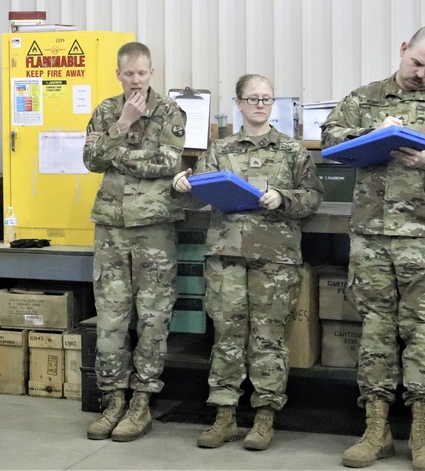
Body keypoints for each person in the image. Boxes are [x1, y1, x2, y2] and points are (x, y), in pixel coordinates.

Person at [321, 26, 425, 471]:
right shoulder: (365, 99)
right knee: (375, 329)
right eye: (416, 63)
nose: (421, 74)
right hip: (373, 237)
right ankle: (376, 430)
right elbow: (331, 141)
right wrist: (372, 132)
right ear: (402, 50)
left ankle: (422, 431)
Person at [173, 74, 323, 451]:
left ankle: (264, 418)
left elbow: (313, 197)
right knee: (226, 338)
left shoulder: (293, 151)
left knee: (269, 339)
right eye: (253, 98)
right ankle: (224, 416)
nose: (260, 104)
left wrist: (284, 198)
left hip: (275, 258)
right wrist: (182, 186)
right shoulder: (219, 151)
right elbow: (194, 199)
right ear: (238, 104)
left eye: (266, 99)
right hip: (226, 257)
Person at [81, 41, 187, 443]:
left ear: (152, 73)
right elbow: (90, 161)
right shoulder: (108, 110)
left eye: (143, 73)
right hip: (110, 226)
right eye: (129, 74)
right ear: (119, 74)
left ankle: (142, 401)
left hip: (154, 227)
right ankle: (113, 400)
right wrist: (122, 125)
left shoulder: (172, 112)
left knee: (153, 317)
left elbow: (167, 162)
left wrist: (114, 152)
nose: (137, 80)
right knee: (110, 317)